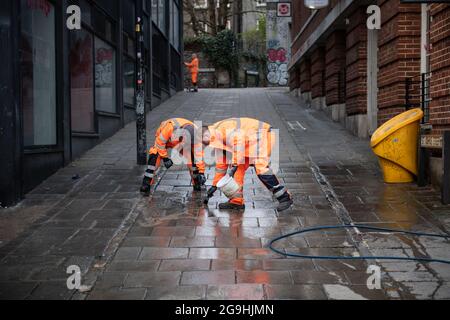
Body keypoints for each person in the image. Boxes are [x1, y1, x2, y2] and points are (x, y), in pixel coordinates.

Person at [202, 118, 293, 212]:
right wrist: (214, 186)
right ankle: (236, 201)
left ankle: (285, 197)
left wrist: (235, 163)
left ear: (206, 134)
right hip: (250, 141)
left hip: (263, 136)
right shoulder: (215, 139)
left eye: (201, 140)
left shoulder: (223, 130)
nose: (202, 144)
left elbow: (239, 143)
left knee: (261, 169)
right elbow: (221, 166)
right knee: (238, 170)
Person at [140, 118, 206, 196]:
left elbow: (199, 155)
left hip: (180, 142)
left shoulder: (195, 137)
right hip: (166, 141)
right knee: (154, 157)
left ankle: (197, 183)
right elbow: (160, 143)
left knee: (194, 162)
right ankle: (146, 183)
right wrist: (165, 158)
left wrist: (201, 172)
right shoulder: (170, 128)